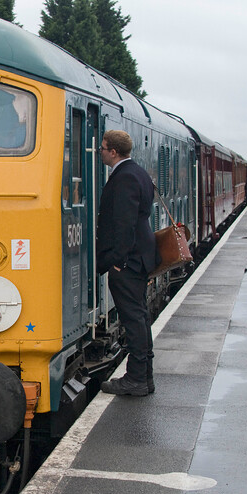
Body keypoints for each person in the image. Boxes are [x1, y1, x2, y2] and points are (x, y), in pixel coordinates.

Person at [96, 130, 156, 397]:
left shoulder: (125, 177)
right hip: (138, 256)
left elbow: (124, 223)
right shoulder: (138, 172)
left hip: (129, 260)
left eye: (103, 147)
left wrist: (117, 260)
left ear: (113, 152)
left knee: (134, 320)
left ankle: (136, 379)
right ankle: (144, 377)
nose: (100, 151)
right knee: (140, 317)